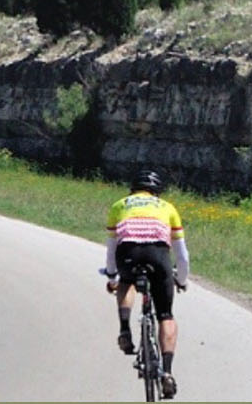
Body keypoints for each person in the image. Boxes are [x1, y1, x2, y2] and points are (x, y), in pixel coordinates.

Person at [104, 170, 189, 398]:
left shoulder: (119, 205)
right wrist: (181, 279)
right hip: (158, 256)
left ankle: (124, 329)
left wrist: (112, 277)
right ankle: (167, 372)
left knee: (126, 282)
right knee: (165, 315)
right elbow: (182, 256)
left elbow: (111, 249)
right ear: (156, 191)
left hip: (128, 251)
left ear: (133, 189)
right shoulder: (167, 207)